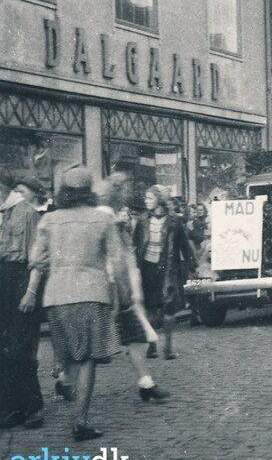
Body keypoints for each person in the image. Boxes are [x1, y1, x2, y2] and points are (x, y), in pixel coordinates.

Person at [19, 167, 132, 441]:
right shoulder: (101, 219)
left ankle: (66, 381)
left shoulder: (49, 220)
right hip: (92, 293)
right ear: (89, 190)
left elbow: (35, 259)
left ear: (64, 191)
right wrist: (124, 293)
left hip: (56, 295)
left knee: (69, 353)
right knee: (88, 359)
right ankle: (80, 420)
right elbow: (117, 261)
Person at [95, 175, 170, 403]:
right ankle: (65, 379)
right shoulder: (103, 219)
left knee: (135, 335)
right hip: (106, 287)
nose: (126, 193)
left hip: (120, 288)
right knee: (91, 342)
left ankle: (146, 383)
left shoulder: (117, 217)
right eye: (123, 189)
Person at [0, 174, 44, 429]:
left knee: (20, 347)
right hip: (3, 281)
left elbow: (37, 261)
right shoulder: (3, 212)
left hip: (20, 280)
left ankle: (33, 406)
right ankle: (10, 407)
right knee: (4, 347)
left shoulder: (27, 214)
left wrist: (31, 292)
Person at [134, 185, 197, 360]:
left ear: (159, 200)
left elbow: (184, 245)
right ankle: (152, 346)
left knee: (169, 307)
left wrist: (192, 265)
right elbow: (136, 245)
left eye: (150, 198)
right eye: (146, 198)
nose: (146, 201)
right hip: (148, 269)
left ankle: (168, 348)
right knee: (150, 309)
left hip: (168, 269)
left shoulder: (174, 222)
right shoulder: (142, 221)